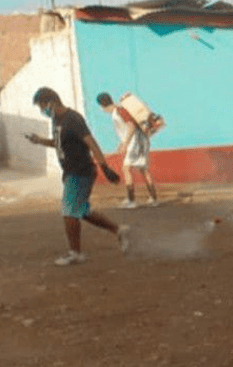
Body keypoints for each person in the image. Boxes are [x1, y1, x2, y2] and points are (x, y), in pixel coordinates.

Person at [26, 87, 131, 266]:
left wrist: (105, 168)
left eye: (42, 106)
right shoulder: (56, 120)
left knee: (69, 211)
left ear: (51, 102)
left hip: (80, 171)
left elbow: (92, 143)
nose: (42, 111)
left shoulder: (72, 119)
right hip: (70, 171)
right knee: (81, 210)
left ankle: (75, 253)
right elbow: (59, 143)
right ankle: (119, 230)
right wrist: (40, 140)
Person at [96, 92, 158, 208]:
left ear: (102, 105)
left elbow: (131, 125)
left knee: (126, 168)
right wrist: (122, 143)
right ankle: (153, 199)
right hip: (138, 141)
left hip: (135, 142)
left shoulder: (119, 111)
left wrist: (125, 143)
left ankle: (131, 201)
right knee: (143, 169)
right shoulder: (118, 111)